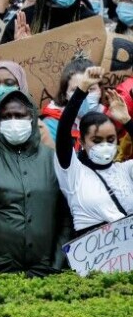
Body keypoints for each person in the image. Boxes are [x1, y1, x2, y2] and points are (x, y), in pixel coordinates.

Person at [0, 89, 71, 277]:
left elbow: (65, 216)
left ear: (32, 119)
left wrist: (57, 262)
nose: (13, 121)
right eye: (7, 116)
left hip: (45, 270)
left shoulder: (53, 161)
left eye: (19, 115)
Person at [55, 67, 133, 234]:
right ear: (82, 141)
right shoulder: (73, 172)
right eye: (96, 141)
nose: (105, 145)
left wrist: (127, 121)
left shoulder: (125, 170)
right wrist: (82, 89)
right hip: (95, 257)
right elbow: (63, 129)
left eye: (110, 139)